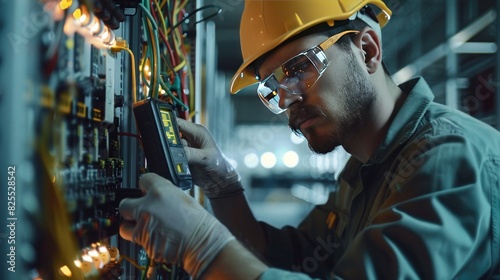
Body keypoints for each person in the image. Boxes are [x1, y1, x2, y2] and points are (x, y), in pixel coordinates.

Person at [119, 0, 500, 279]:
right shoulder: (365, 168)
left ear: (367, 50)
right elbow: (293, 260)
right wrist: (224, 187)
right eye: (273, 88)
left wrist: (202, 246)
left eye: (300, 68)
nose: (287, 100)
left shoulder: (450, 158)